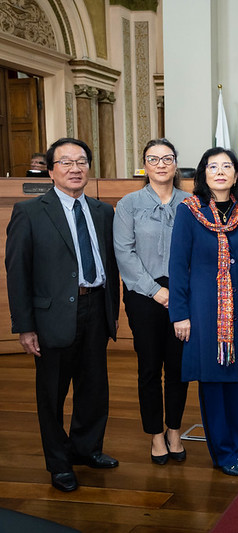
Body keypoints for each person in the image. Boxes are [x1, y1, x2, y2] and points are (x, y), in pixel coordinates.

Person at [5, 137, 120, 492]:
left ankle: (86, 449)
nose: (75, 168)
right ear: (51, 169)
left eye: (81, 161)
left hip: (96, 307)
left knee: (94, 388)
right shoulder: (30, 211)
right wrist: (25, 327)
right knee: (52, 393)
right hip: (52, 317)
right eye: (66, 162)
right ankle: (58, 463)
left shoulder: (102, 212)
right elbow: (18, 271)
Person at [168, 147, 238, 476]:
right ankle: (222, 454)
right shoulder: (188, 211)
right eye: (213, 166)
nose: (220, 171)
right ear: (203, 174)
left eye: (227, 166)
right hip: (203, 311)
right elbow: (178, 267)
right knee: (212, 382)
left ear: (236, 175)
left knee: (236, 382)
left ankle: (237, 448)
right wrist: (180, 314)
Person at [114, 138, 190, 465]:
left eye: (167, 158)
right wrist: (155, 291)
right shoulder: (128, 203)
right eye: (153, 158)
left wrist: (181, 293)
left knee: (178, 367)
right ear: (144, 165)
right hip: (143, 296)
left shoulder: (192, 203)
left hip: (184, 295)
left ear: (176, 164)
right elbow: (124, 253)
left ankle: (174, 430)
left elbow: (199, 252)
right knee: (149, 367)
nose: (161, 164)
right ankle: (155, 436)